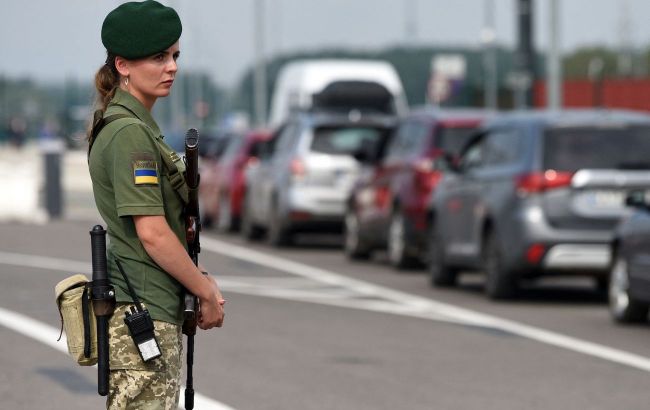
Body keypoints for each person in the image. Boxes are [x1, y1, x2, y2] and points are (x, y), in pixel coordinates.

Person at [87, 1, 225, 409]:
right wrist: (206, 292)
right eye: (158, 57)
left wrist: (200, 282)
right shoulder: (130, 134)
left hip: (148, 308)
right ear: (123, 65)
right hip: (142, 315)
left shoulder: (135, 128)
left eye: (175, 56)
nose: (172, 67)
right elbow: (152, 232)